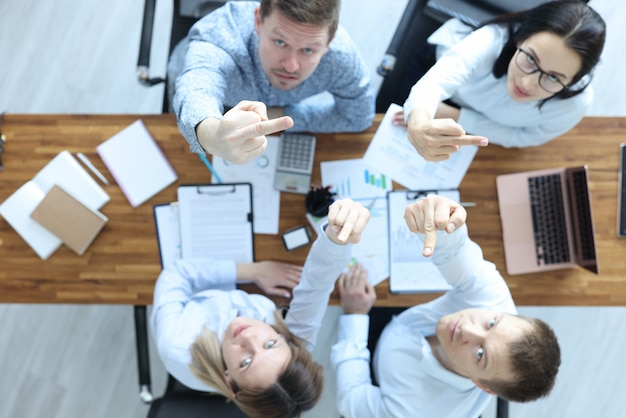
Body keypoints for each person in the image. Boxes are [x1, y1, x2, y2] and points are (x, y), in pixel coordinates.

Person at [331, 195, 561, 418]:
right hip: (404, 317)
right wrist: (441, 223)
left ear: (482, 385)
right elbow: (457, 253)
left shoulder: (413, 411)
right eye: (491, 323)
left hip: (374, 365)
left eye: (480, 354)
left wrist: (355, 317)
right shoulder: (496, 303)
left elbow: (352, 398)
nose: (466, 330)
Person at [151, 198, 370, 418]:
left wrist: (250, 271)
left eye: (245, 362)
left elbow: (175, 275)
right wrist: (338, 237)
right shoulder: (292, 349)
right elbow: (318, 284)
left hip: (193, 282)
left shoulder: (177, 343)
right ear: (287, 341)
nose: (248, 338)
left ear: (230, 380)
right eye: (270, 343)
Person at [393, 0, 606, 162]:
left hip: (460, 119)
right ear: (520, 39)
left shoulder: (574, 104)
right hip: (440, 85)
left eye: (553, 77)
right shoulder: (490, 40)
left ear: (574, 79)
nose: (527, 84)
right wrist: (419, 123)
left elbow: (523, 137)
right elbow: (434, 85)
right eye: (531, 59)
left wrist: (455, 116)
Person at [168, 0, 375, 165]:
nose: (291, 66)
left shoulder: (341, 57)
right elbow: (197, 89)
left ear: (329, 43)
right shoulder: (222, 35)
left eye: (308, 50)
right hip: (206, 104)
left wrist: (280, 115)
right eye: (280, 42)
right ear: (258, 21)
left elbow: (358, 117)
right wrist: (212, 136)